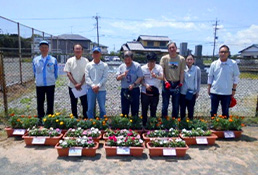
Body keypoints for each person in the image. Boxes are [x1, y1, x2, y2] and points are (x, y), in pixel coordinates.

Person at [208, 45, 240, 118]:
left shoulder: (233, 63)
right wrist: (209, 88)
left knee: (225, 111)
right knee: (213, 110)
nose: (223, 54)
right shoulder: (214, 64)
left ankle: (224, 127)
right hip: (215, 91)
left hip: (227, 92)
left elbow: (236, 77)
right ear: (219, 53)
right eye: (221, 52)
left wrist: (234, 89)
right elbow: (210, 77)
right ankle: (214, 125)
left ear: (228, 53)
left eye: (225, 52)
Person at [32, 40, 58, 121]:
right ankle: (40, 118)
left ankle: (50, 118)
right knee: (40, 102)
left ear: (48, 49)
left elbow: (56, 72)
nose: (44, 49)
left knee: (50, 102)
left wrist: (53, 79)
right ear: (39, 49)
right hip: (40, 84)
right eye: (42, 47)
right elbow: (34, 71)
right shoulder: (36, 60)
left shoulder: (53, 60)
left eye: (45, 47)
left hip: (50, 84)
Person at [160, 42, 186, 118]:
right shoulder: (164, 58)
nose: (172, 49)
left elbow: (182, 72)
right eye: (170, 48)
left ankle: (174, 121)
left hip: (177, 83)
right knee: (165, 104)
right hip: (167, 82)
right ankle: (164, 121)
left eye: (173, 47)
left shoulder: (181, 59)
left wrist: (181, 82)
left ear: (176, 48)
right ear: (168, 49)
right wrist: (165, 81)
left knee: (176, 104)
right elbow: (162, 72)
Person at [64, 44, 89, 119]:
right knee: (73, 103)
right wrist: (75, 84)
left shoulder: (86, 60)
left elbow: (86, 73)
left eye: (79, 49)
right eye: (76, 49)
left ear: (82, 51)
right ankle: (74, 118)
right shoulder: (70, 60)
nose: (78, 50)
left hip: (83, 86)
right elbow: (68, 73)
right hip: (72, 86)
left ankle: (85, 118)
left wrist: (80, 83)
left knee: (85, 103)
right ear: (74, 50)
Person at [116, 51, 143, 117]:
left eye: (129, 59)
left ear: (132, 58)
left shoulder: (137, 66)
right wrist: (123, 74)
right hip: (125, 89)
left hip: (134, 89)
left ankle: (135, 123)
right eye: (125, 59)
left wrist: (134, 84)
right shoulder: (121, 67)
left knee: (135, 108)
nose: (127, 61)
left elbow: (140, 77)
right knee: (124, 109)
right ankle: (125, 123)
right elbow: (117, 78)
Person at [85, 47, 108, 118]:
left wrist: (98, 85)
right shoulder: (88, 65)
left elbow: (105, 77)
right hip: (90, 89)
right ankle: (91, 123)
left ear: (100, 54)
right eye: (94, 53)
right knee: (90, 108)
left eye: (97, 53)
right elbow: (87, 77)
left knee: (102, 109)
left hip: (101, 90)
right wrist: (93, 86)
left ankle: (102, 124)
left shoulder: (104, 65)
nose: (96, 55)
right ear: (92, 54)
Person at [141, 53, 163, 126]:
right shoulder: (143, 68)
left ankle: (152, 125)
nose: (152, 63)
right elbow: (140, 79)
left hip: (155, 93)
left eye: (153, 62)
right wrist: (145, 85)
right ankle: (144, 125)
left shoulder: (159, 68)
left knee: (153, 109)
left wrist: (156, 76)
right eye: (150, 61)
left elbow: (162, 77)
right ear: (147, 61)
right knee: (144, 109)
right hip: (145, 92)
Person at [180, 54, 201, 120]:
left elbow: (198, 80)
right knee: (182, 109)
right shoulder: (183, 68)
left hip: (192, 92)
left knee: (191, 109)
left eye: (191, 59)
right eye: (188, 59)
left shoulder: (196, 69)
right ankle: (182, 123)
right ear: (186, 60)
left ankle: (190, 123)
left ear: (193, 61)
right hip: (183, 92)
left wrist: (197, 91)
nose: (189, 61)